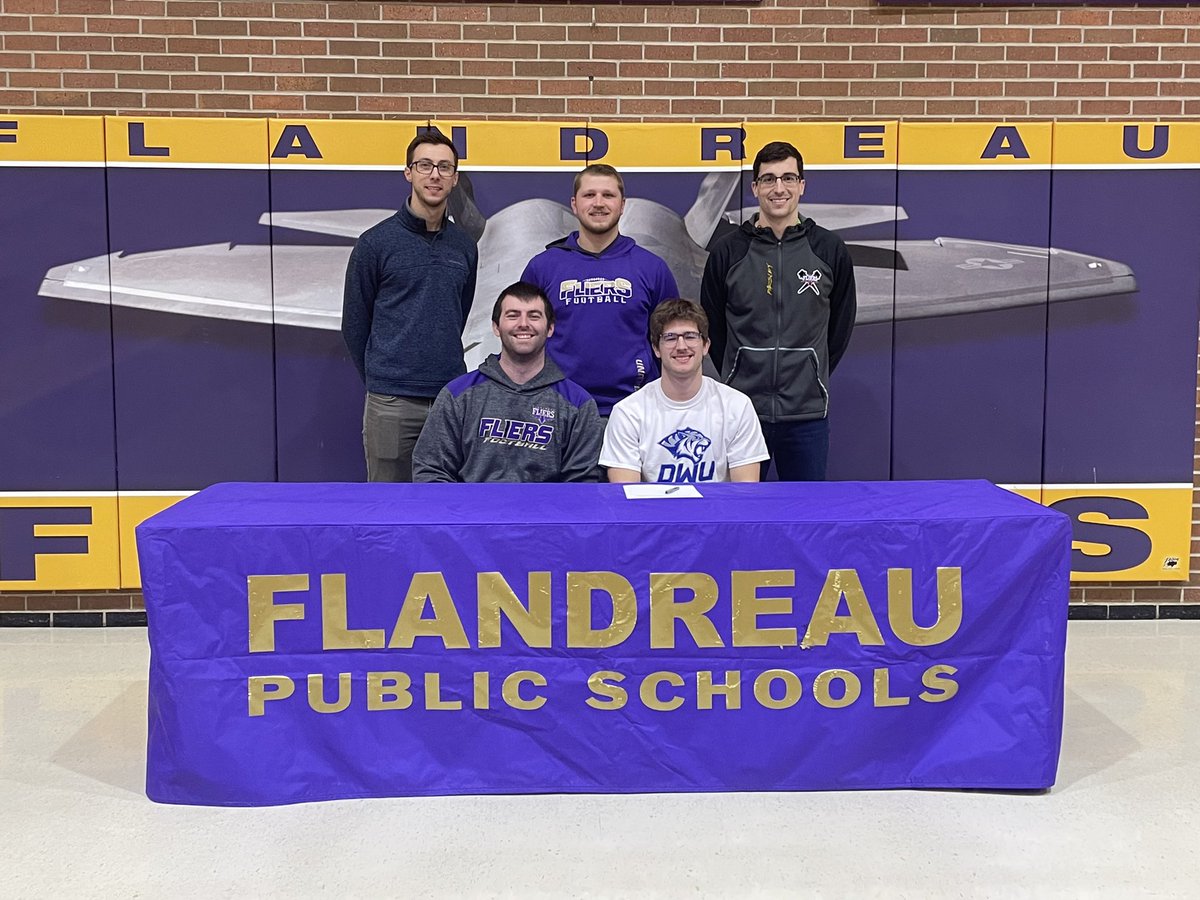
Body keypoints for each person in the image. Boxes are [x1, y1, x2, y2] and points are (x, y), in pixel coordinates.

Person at [700, 141, 857, 481]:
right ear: (755, 187)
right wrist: (741, 368)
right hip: (742, 413)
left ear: (801, 184)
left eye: (788, 178)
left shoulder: (828, 249)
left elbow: (839, 327)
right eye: (768, 179)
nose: (779, 188)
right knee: (740, 515)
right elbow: (713, 325)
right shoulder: (728, 251)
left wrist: (810, 370)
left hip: (807, 416)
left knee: (805, 518)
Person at [342, 128, 479, 482]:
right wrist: (385, 377)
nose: (435, 175)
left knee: (445, 509)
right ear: (408, 173)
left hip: (449, 398)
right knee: (388, 508)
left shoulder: (464, 248)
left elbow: (458, 314)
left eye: (444, 168)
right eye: (425, 165)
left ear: (454, 179)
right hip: (391, 403)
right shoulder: (375, 244)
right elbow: (355, 324)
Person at [521, 163, 679, 416]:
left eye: (608, 195)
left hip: (634, 411)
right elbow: (524, 337)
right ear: (574, 204)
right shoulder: (543, 267)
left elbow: (672, 340)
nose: (598, 203)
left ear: (622, 204)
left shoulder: (652, 268)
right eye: (589, 195)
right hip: (558, 409)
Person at [413, 282, 603, 483]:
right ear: (496, 327)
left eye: (534, 316)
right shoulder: (458, 395)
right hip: (470, 513)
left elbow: (583, 484)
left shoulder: (578, 404)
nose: (523, 324)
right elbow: (430, 470)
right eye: (513, 315)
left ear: (550, 328)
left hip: (544, 513)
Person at [601, 299, 768, 484]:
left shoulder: (737, 406)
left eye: (690, 336)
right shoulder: (628, 413)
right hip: (653, 513)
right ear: (656, 348)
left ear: (705, 345)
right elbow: (627, 497)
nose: (681, 346)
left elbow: (745, 493)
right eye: (670, 337)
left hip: (718, 512)